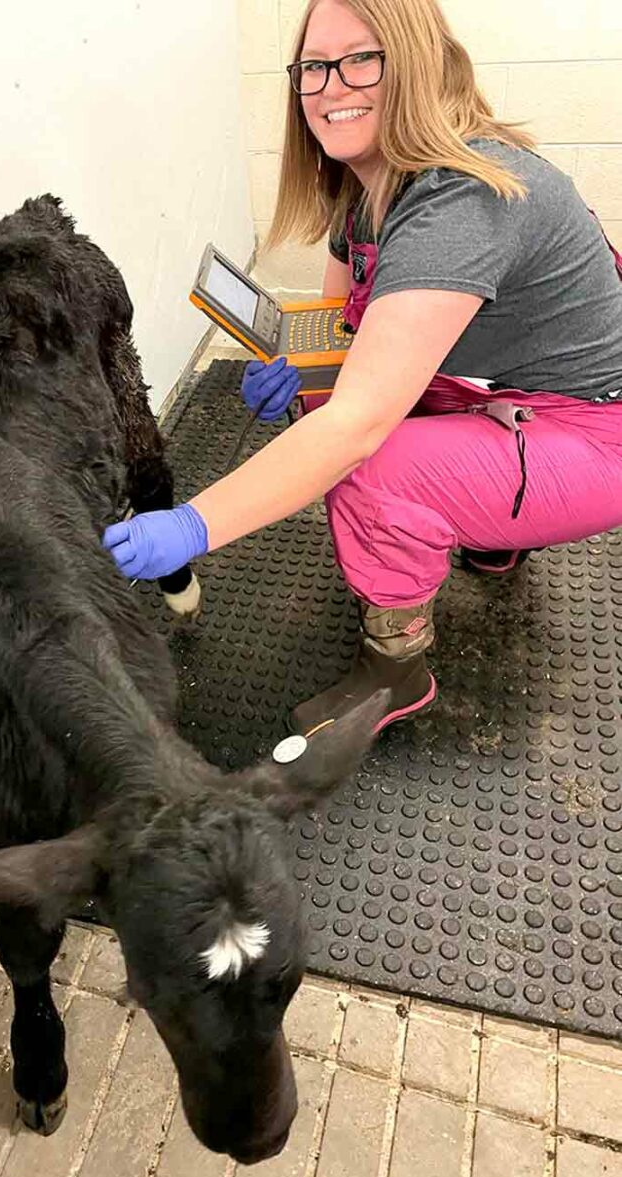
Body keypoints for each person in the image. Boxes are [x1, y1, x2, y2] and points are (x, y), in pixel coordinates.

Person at [103, 0, 622, 740]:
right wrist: (300, 372)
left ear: (417, 61)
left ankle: (396, 671)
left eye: (362, 58)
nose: (331, 85)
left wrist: (193, 526)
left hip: (597, 437)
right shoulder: (368, 193)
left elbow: (356, 425)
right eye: (313, 66)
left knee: (367, 467)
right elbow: (341, 334)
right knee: (333, 408)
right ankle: (495, 533)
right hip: (513, 401)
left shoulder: (461, 201)